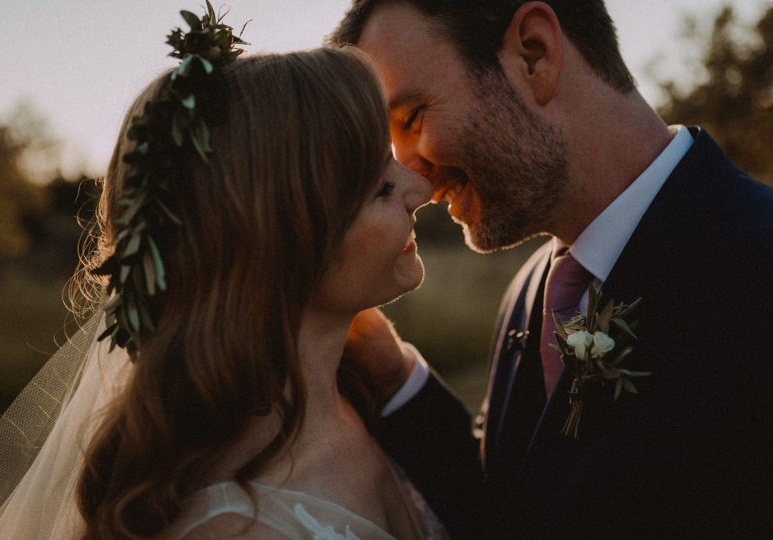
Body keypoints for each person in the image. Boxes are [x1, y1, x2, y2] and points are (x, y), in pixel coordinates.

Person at [0, 8, 447, 539]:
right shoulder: (234, 531)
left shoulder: (363, 388)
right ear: (283, 240)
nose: (420, 189)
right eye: (380, 187)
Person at [329, 1, 773, 538]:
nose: (414, 182)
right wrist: (395, 376)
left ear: (534, 54)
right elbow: (519, 511)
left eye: (415, 117)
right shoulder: (532, 288)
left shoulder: (756, 263)